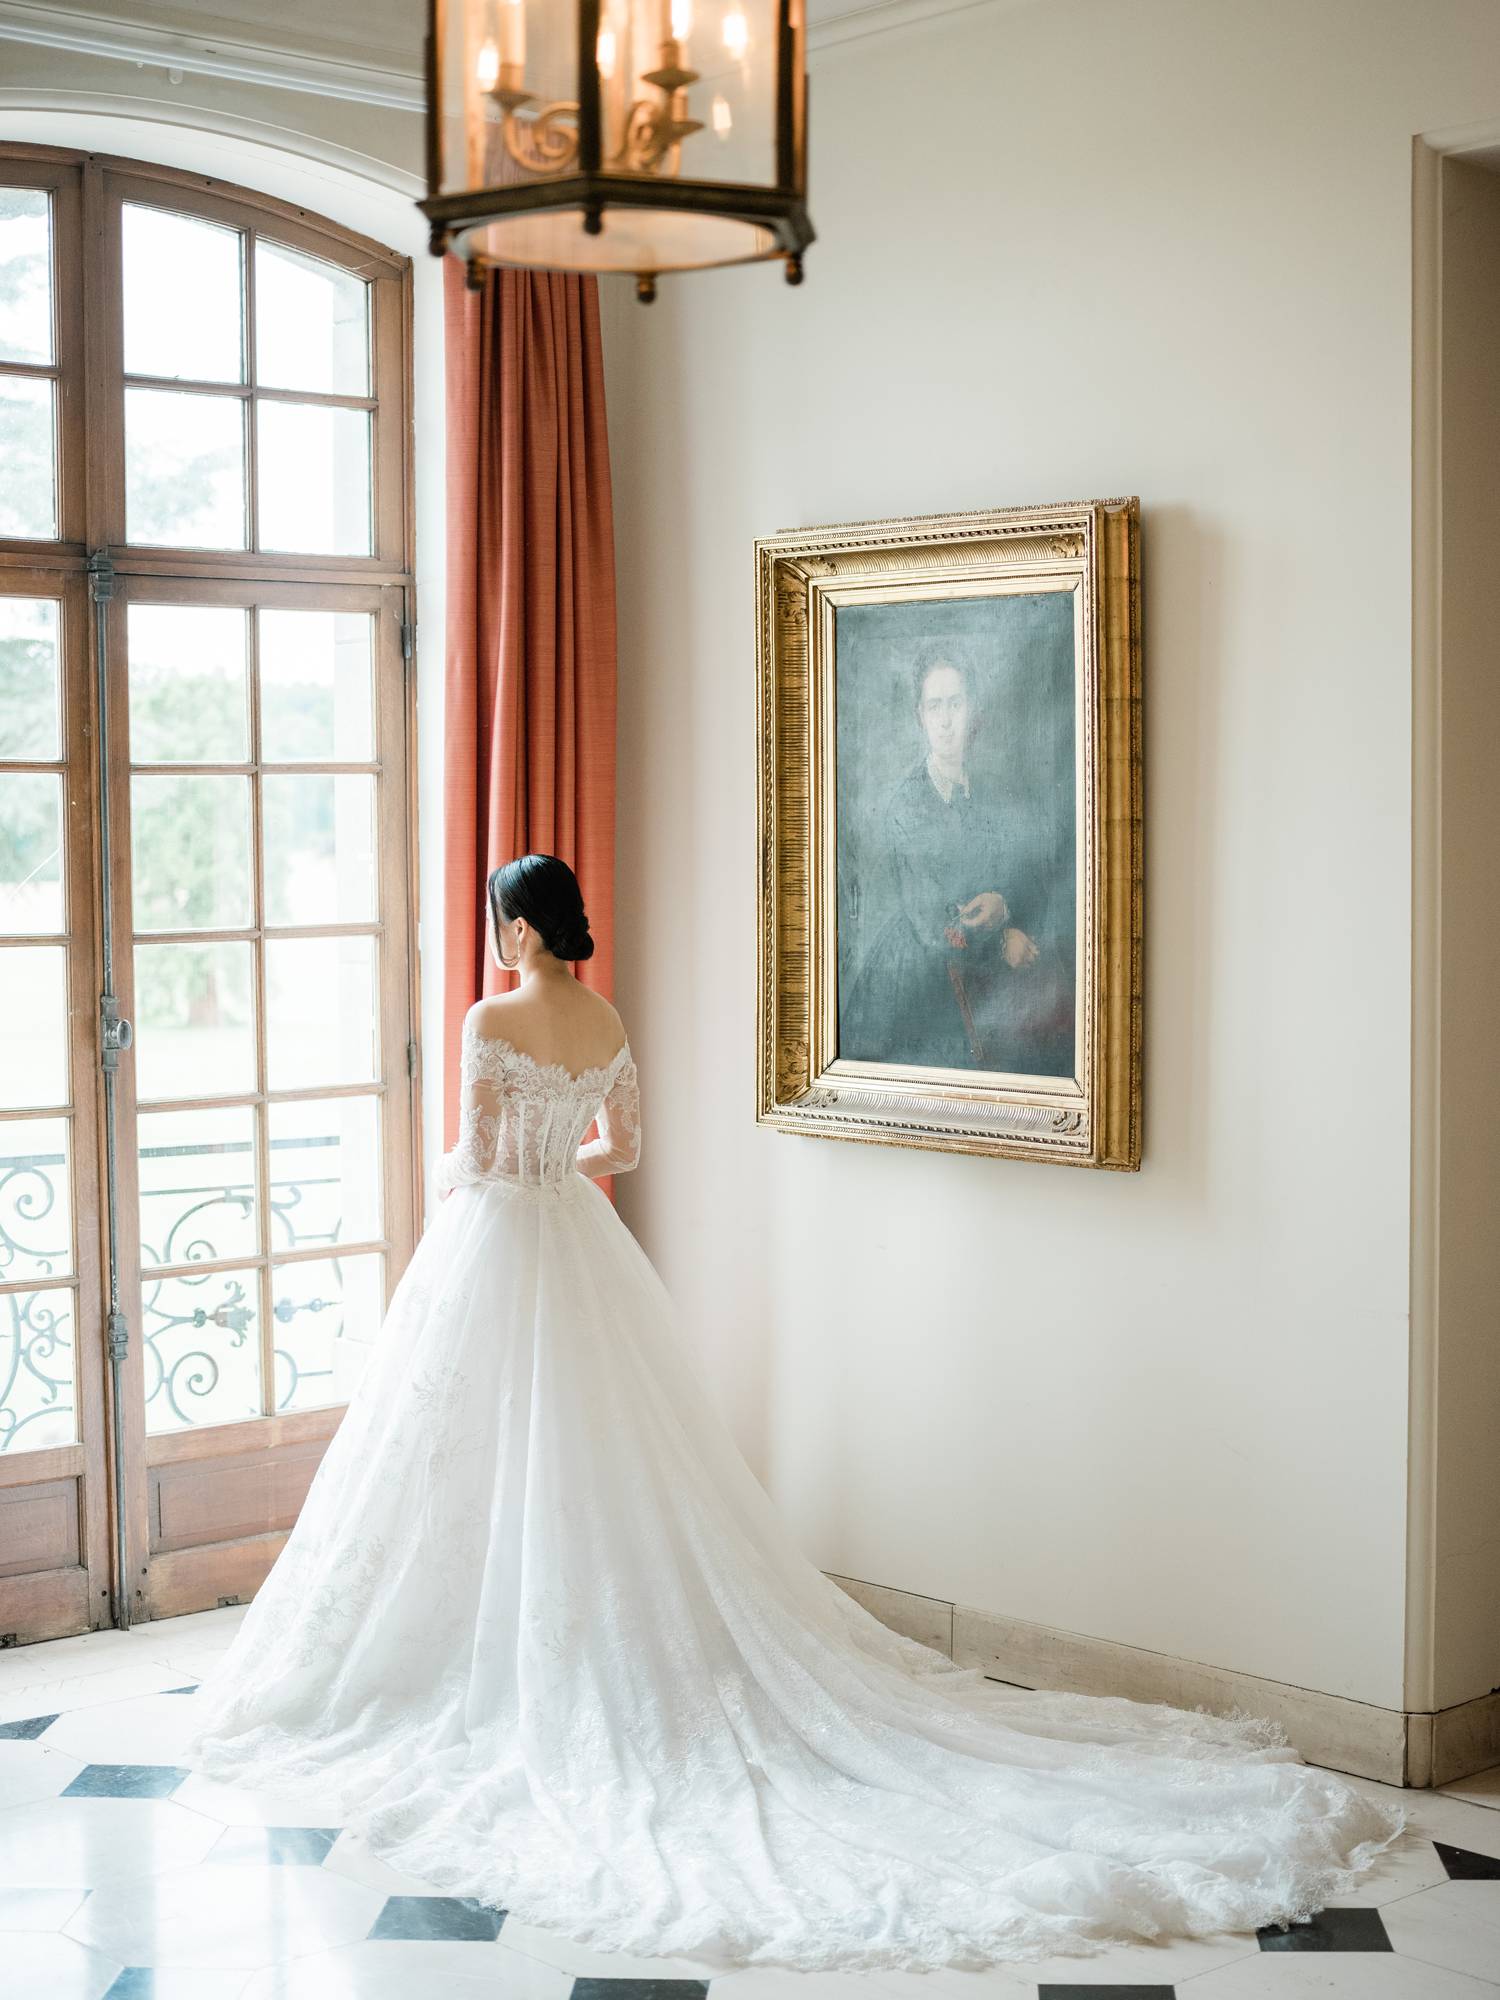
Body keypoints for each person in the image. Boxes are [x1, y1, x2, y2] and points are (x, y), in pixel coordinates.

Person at [186, 853, 1408, 1971]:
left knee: (467, 1456)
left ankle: (471, 1658)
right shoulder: (603, 1017)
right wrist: (563, 1175)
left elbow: (477, 1151)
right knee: (601, 1459)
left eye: (503, 922)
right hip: (581, 1242)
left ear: (520, 926)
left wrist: (482, 1183)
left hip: (499, 1242)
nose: (500, 939)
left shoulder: (489, 1017)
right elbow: (627, 1144)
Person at [841, 646, 1076, 1077]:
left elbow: (1028, 873)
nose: (946, 721)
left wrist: (1005, 904)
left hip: (988, 972)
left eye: (955, 703)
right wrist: (1002, 939)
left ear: (973, 710)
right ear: (920, 716)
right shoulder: (905, 807)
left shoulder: (995, 791)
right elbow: (932, 921)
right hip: (923, 975)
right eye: (935, 707)